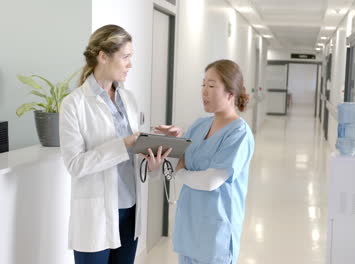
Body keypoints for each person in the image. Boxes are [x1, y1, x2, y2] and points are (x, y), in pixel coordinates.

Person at [59, 24, 175, 264]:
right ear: (103, 57)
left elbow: (134, 157)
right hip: (96, 216)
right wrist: (123, 145)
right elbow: (75, 164)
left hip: (130, 211)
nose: (130, 64)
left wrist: (152, 158)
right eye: (125, 57)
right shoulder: (74, 104)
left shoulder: (129, 99)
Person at [146, 59, 255, 264]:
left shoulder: (239, 134)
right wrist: (164, 153)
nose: (204, 91)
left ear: (230, 93)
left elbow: (210, 181)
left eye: (212, 86)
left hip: (216, 235)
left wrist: (180, 172)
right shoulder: (198, 126)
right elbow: (177, 163)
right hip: (189, 228)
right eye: (203, 84)